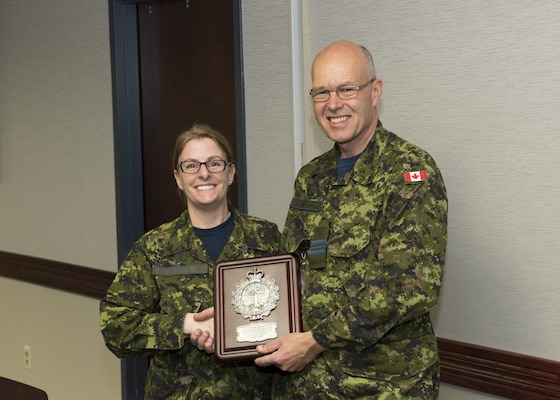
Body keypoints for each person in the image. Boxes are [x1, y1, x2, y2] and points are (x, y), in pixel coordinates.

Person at [254, 40, 448, 399]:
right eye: (321, 92)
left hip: (380, 385)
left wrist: (316, 340)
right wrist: (238, 316)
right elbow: (290, 268)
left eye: (346, 89)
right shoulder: (311, 177)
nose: (333, 104)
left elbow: (409, 286)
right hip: (306, 384)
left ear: (375, 92)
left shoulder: (409, 172)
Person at [100, 123, 281, 399]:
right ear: (178, 178)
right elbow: (115, 326)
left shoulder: (266, 237)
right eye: (191, 165)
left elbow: (293, 313)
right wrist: (185, 325)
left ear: (231, 173)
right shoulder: (154, 248)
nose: (204, 173)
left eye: (214, 163)